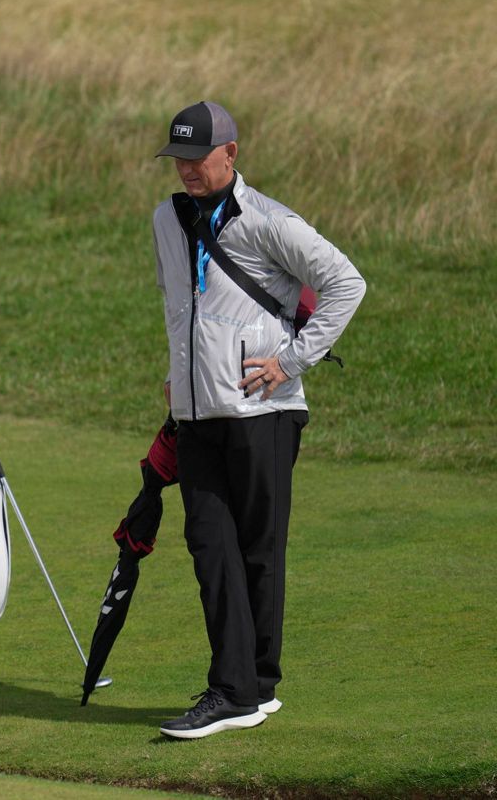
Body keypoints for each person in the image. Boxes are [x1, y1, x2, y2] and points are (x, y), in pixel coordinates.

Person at [150, 101, 365, 739]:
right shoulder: (166, 218)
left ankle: (247, 687)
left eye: (198, 158)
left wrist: (292, 361)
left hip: (263, 412)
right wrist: (177, 372)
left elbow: (345, 283)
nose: (187, 169)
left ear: (231, 153)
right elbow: (176, 303)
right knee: (211, 546)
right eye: (179, 159)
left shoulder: (270, 221)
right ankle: (243, 686)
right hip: (197, 413)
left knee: (258, 551)